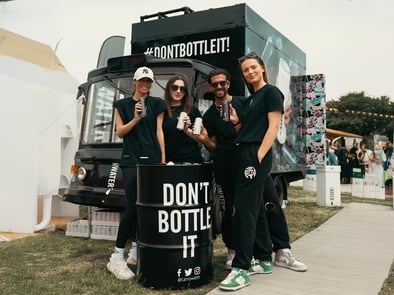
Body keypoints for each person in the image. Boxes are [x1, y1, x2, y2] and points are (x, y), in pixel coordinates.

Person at [200, 68, 307, 277]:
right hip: (228, 162)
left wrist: (257, 154)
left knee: (269, 204)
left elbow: (261, 128)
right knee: (237, 209)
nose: (219, 87)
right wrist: (202, 138)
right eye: (215, 84)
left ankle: (282, 250)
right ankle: (252, 254)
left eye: (223, 83)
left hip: (251, 159)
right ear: (211, 87)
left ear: (229, 83)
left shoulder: (243, 102)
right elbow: (213, 144)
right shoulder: (211, 114)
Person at [107, 66, 166, 280]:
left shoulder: (158, 104)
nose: (145, 84)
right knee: (131, 207)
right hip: (131, 161)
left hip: (152, 161)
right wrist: (135, 119)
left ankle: (136, 251)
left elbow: (159, 131)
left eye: (148, 81)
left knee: (147, 207)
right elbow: (121, 132)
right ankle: (116, 256)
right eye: (142, 80)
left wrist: (162, 157)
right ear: (135, 81)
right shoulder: (121, 105)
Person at [162, 74, 203, 163]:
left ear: (186, 92)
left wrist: (186, 130)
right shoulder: (162, 110)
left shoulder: (193, 110)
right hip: (168, 161)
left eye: (182, 89)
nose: (178, 91)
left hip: (190, 159)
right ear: (168, 89)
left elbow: (200, 139)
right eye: (174, 87)